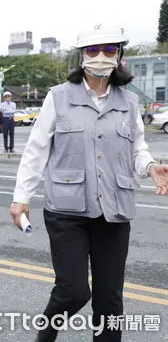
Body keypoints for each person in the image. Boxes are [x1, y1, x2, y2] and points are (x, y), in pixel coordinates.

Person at [10, 23, 168, 341]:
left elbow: (137, 149)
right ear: (82, 55)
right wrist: (21, 196)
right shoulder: (58, 97)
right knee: (73, 291)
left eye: (109, 50)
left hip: (114, 210)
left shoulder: (129, 102)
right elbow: (36, 150)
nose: (100, 56)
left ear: (119, 55)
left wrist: (151, 166)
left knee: (110, 302)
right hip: (67, 211)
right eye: (93, 50)